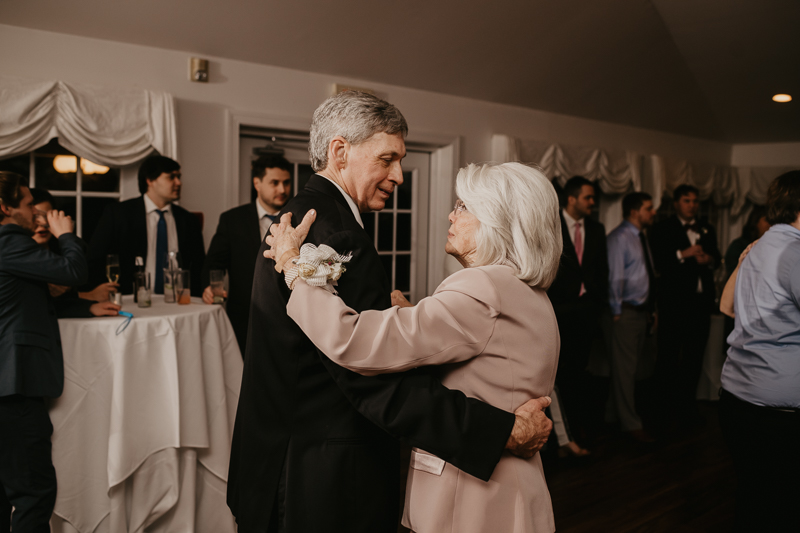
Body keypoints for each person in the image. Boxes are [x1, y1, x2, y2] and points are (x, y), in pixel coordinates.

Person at [227, 91, 553, 533]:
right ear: (339, 152)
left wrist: (399, 312)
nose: (399, 175)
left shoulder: (301, 217)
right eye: (387, 158)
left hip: (280, 455)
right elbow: (370, 375)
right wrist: (498, 431)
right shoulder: (332, 234)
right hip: (318, 475)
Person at [0, 172, 119, 532]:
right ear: (4, 207)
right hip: (14, 385)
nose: (34, 210)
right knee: (34, 494)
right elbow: (73, 271)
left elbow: (36, 297)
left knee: (9, 493)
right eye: (26, 203)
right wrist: (64, 232)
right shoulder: (9, 242)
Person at [718, 170, 800, 532]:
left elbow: (726, 307)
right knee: (782, 507)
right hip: (777, 413)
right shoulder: (795, 252)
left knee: (753, 498)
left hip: (737, 398)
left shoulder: (758, 246)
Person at [202, 154, 293, 353]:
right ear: (257, 183)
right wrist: (209, 287)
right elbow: (213, 264)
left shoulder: (297, 218)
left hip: (291, 318)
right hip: (245, 319)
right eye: (274, 182)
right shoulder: (232, 220)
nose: (282, 189)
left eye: (286, 183)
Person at [649, 184, 721, 426]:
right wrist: (683, 254)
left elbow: (717, 257)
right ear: (677, 203)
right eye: (687, 201)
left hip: (701, 305)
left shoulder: (706, 228)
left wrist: (709, 259)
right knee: (668, 356)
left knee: (694, 357)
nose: (693, 205)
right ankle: (662, 408)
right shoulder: (662, 228)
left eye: (695, 201)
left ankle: (687, 407)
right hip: (674, 305)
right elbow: (657, 262)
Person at [88, 155, 206, 297]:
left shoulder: (188, 220)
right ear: (150, 180)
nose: (178, 183)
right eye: (171, 177)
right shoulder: (119, 214)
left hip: (178, 302)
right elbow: (95, 258)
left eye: (179, 177)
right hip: (130, 300)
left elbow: (200, 267)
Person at [547, 176, 608, 441]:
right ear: (571, 199)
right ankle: (562, 434)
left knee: (580, 371)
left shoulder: (597, 228)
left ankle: (580, 427)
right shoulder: (551, 225)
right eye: (588, 197)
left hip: (586, 310)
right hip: (558, 309)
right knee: (557, 373)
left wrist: (598, 301)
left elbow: (602, 269)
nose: (593, 203)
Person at [606, 192, 657, 442]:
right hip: (624, 312)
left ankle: (614, 419)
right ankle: (630, 424)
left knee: (635, 369)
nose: (653, 212)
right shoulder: (619, 238)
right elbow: (615, 276)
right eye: (649, 208)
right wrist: (616, 311)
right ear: (635, 211)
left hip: (640, 311)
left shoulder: (640, 237)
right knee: (625, 371)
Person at [30, 188, 118, 302]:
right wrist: (88, 295)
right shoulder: (21, 254)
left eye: (48, 216)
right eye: (35, 217)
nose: (42, 223)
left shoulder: (67, 246)